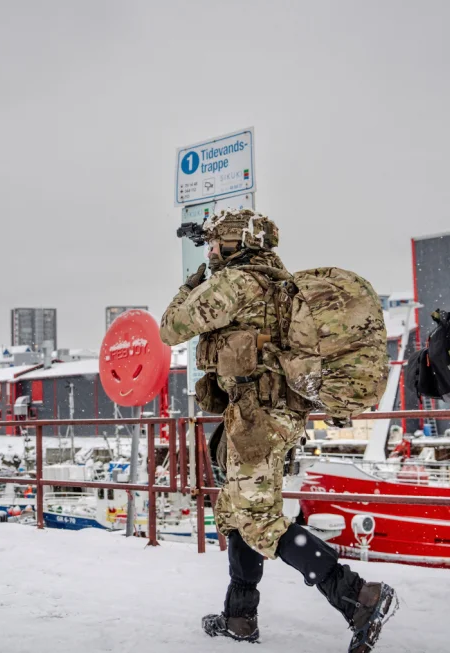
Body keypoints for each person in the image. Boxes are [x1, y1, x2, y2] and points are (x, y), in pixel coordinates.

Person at [160, 209, 396, 653]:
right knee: (235, 510)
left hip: (259, 419)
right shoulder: (275, 283)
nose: (209, 252)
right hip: (265, 413)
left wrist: (190, 285)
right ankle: (239, 617)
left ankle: (359, 597)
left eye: (214, 244)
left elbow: (170, 328)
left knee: (255, 518)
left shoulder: (235, 284)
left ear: (235, 243)